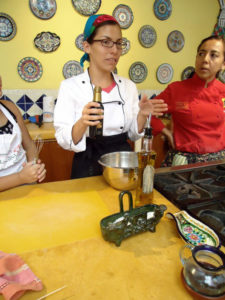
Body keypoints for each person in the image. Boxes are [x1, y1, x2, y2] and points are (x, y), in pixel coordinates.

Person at [54, 14, 168, 179]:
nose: (114, 50)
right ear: (87, 46)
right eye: (106, 42)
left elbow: (133, 134)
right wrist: (82, 122)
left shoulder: (128, 86)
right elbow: (62, 138)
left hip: (121, 161)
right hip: (87, 162)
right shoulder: (70, 87)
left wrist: (142, 115)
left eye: (119, 43)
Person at [151, 35, 225, 167]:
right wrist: (165, 131)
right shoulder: (176, 89)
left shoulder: (223, 90)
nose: (205, 60)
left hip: (218, 163)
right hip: (183, 162)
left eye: (214, 55)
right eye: (201, 54)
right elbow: (147, 112)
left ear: (223, 64)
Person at [0, 76, 46, 191]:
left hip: (26, 185)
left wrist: (35, 168)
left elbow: (29, 145)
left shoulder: (10, 108)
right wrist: (20, 178)